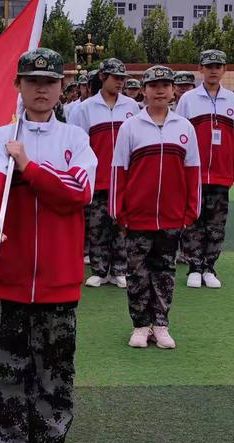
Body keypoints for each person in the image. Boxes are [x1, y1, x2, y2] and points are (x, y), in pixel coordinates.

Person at [0, 47, 97, 443]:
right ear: (18, 86)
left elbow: (78, 192)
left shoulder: (75, 140)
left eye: (50, 82)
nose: (41, 89)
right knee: (6, 372)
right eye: (32, 81)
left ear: (62, 88)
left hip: (59, 281)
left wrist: (29, 164)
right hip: (9, 279)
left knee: (55, 373)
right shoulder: (0, 137)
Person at [110, 65, 201, 349]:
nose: (160, 90)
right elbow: (118, 171)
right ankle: (139, 325)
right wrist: (119, 212)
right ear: (144, 91)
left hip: (172, 218)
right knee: (137, 273)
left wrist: (190, 212)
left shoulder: (184, 128)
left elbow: (193, 172)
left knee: (164, 272)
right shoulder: (130, 127)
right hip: (137, 217)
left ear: (173, 90)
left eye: (165, 84)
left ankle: (160, 324)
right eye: (153, 85)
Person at [176, 50, 234, 289]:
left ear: (224, 69)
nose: (214, 70)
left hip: (221, 172)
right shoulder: (188, 99)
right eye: (209, 66)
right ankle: (194, 267)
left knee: (216, 223)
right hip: (193, 173)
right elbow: (179, 136)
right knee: (193, 220)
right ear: (201, 69)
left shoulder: (232, 100)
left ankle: (209, 267)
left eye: (218, 66)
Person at [70, 58, 140, 289]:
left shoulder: (131, 107)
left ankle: (119, 269)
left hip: (124, 177)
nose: (120, 82)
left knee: (121, 224)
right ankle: (99, 270)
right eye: (115, 78)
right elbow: (77, 144)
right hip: (97, 178)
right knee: (97, 224)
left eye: (122, 78)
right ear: (102, 77)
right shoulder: (85, 108)